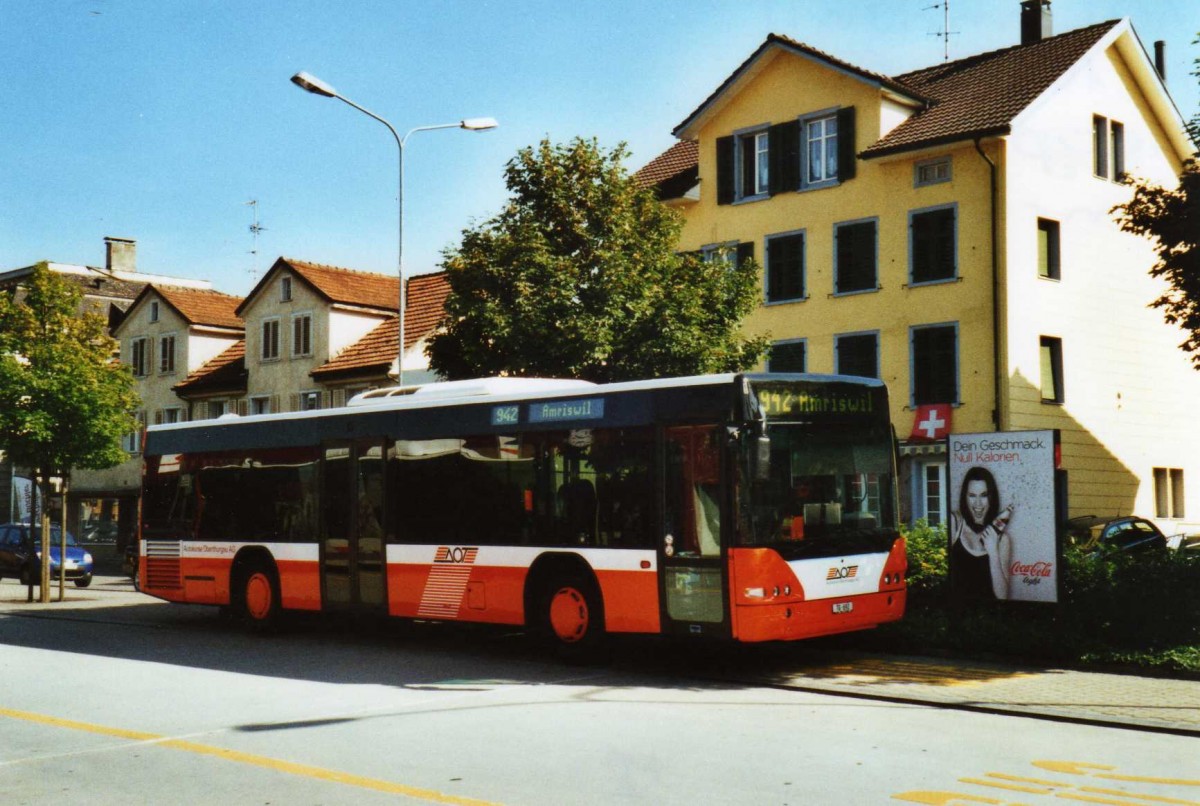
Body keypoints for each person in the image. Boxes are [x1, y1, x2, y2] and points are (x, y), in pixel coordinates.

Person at [949, 466, 1013, 600]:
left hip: (989, 616)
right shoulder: (955, 523)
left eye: (984, 495)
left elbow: (1002, 596)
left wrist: (993, 552)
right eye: (972, 495)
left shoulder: (1003, 540)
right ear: (964, 497)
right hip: (959, 614)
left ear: (991, 498)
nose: (978, 503)